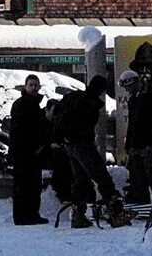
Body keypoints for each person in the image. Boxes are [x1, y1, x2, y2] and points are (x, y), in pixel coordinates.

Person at [54, 75, 129, 229]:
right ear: (101, 90)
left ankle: (78, 215)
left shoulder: (74, 97)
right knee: (102, 177)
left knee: (80, 179)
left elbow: (57, 113)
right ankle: (116, 212)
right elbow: (85, 127)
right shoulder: (90, 104)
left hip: (70, 146)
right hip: (84, 145)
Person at [9, 74, 50, 226]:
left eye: (35, 85)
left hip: (33, 153)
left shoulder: (34, 105)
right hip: (24, 152)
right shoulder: (21, 105)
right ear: (25, 86)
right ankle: (23, 216)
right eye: (31, 85)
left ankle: (32, 214)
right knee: (23, 185)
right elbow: (19, 131)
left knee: (33, 185)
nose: (33, 87)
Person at [121, 70, 152, 206]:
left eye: (128, 87)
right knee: (137, 177)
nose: (126, 91)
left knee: (151, 176)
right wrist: (129, 145)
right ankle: (141, 203)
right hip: (136, 144)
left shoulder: (150, 96)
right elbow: (132, 123)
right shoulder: (134, 99)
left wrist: (151, 144)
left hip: (147, 144)